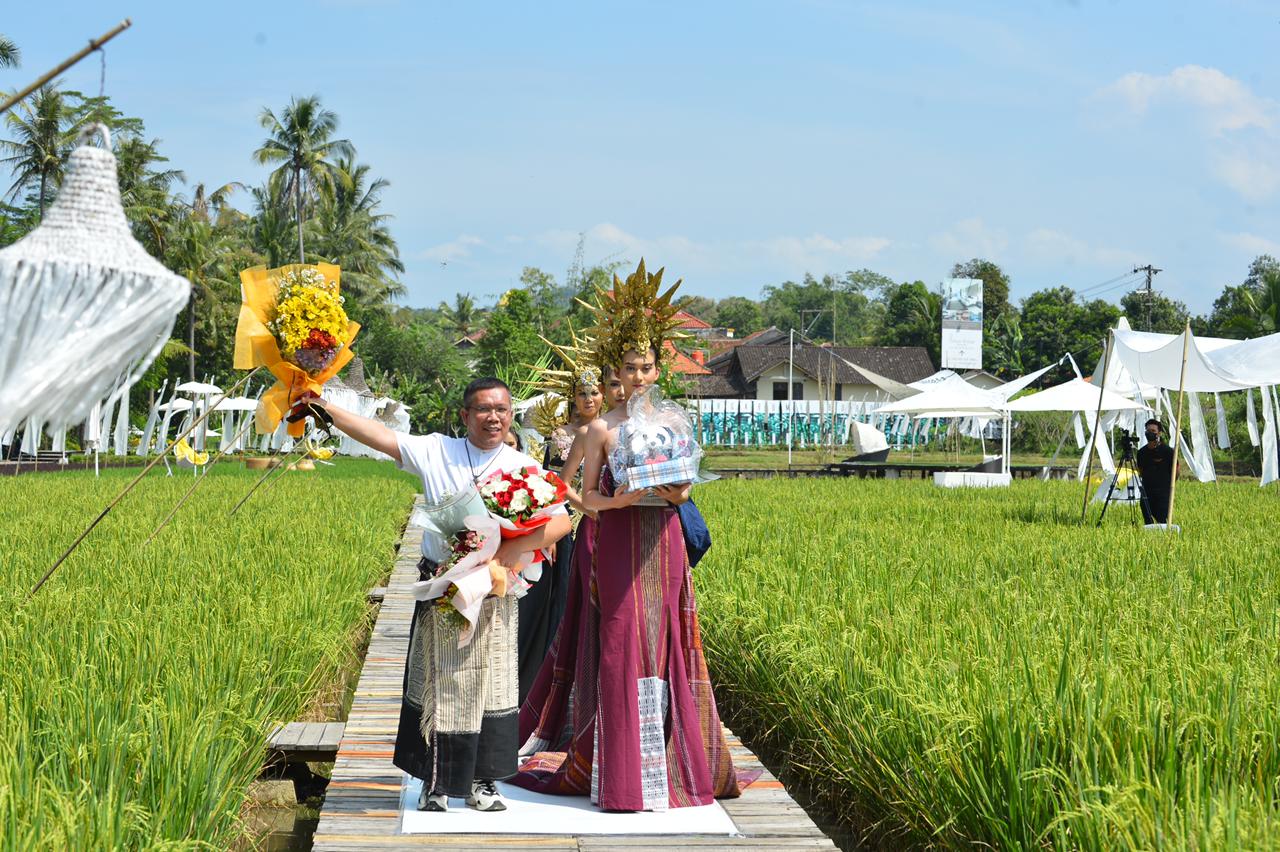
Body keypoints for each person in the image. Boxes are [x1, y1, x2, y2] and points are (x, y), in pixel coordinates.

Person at [514, 260, 740, 811]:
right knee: (618, 645)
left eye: (647, 367)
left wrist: (677, 496)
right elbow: (583, 497)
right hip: (615, 541)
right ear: (615, 369)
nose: (638, 377)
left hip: (662, 541)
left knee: (663, 646)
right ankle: (619, 776)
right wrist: (613, 501)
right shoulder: (600, 429)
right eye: (630, 368)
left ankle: (662, 766)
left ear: (659, 370)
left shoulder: (676, 424)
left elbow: (685, 490)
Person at [298, 378, 571, 813]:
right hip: (444, 585)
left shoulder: (523, 463)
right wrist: (325, 408)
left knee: (492, 682)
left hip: (495, 588)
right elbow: (381, 436)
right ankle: (437, 783)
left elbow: (560, 521)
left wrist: (509, 548)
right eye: (483, 409)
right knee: (441, 682)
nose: (494, 417)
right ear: (465, 416)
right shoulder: (437, 450)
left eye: (502, 409)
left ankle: (484, 782)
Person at [517, 359, 604, 703]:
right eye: (582, 393)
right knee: (569, 598)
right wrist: (586, 507)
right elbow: (554, 482)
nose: (589, 399)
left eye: (595, 392)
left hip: (607, 520)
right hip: (571, 519)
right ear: (573, 396)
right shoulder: (565, 435)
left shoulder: (614, 431)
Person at [1136, 418, 1174, 524]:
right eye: (1148, 431)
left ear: (1159, 433)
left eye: (1153, 431)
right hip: (1147, 492)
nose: (1150, 433)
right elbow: (1140, 470)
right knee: (1148, 521)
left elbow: (1176, 471)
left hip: (1163, 493)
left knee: (1162, 521)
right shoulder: (1141, 453)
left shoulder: (1168, 452)